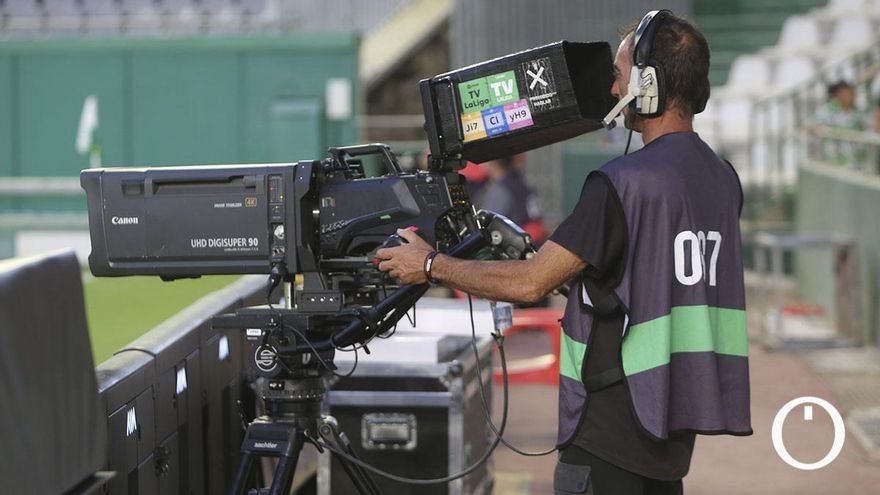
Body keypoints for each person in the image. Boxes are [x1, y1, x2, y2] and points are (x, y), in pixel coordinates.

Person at [376, 10, 751, 495]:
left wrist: (429, 264)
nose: (615, 92)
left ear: (648, 84)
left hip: (609, 432)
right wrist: (578, 275)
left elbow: (530, 283)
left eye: (620, 77)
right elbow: (655, 272)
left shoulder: (622, 183)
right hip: (671, 436)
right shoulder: (724, 180)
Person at [479, 155, 547, 244]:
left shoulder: (501, 188)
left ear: (495, 164)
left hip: (516, 245)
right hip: (534, 242)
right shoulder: (522, 184)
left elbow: (488, 225)